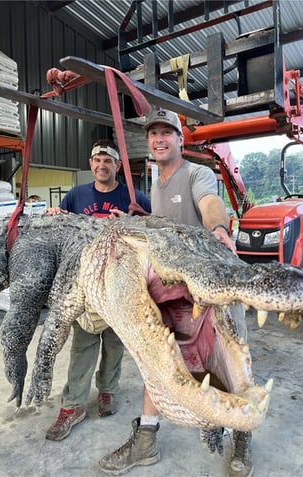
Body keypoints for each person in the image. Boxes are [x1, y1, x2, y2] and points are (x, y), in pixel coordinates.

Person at [98, 109, 253, 477]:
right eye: (153, 134)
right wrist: (134, 223)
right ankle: (146, 439)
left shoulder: (197, 173)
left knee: (228, 364)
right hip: (176, 293)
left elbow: (209, 203)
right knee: (160, 359)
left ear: (181, 139)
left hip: (211, 287)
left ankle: (243, 432)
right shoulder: (156, 179)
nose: (159, 139)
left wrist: (218, 228)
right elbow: (165, 228)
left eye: (167, 132)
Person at [44, 139, 152, 441]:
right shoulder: (76, 196)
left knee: (116, 343)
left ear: (118, 165)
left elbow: (155, 228)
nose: (102, 165)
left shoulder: (133, 197)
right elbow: (63, 227)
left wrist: (133, 221)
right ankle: (73, 405)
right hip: (86, 285)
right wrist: (55, 216)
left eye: (108, 161)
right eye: (97, 160)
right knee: (82, 344)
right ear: (91, 164)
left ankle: (107, 391)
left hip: (120, 283)